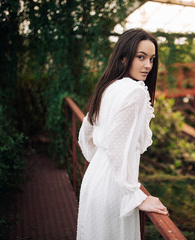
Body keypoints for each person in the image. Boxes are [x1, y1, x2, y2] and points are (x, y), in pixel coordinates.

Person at [76, 28, 168, 240]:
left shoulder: (109, 86)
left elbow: (85, 132)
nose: (148, 66)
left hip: (94, 181)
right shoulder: (135, 92)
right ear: (124, 56)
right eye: (141, 57)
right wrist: (135, 195)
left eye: (152, 59)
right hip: (114, 191)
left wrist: (100, 161)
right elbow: (118, 150)